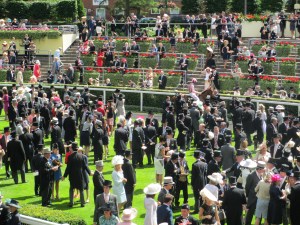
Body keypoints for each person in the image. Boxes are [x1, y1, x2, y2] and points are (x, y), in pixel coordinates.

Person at [62, 142, 92, 207]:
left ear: (72, 149)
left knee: (71, 189)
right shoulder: (82, 156)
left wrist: (64, 176)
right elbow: (85, 166)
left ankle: (71, 202)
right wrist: (89, 172)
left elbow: (68, 168)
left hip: (72, 176)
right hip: (80, 175)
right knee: (81, 189)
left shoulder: (70, 157)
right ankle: (82, 203)